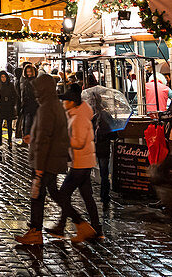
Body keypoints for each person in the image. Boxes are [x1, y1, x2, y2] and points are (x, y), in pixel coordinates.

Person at [15, 73, 71, 245]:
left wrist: (38, 168)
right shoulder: (54, 105)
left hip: (46, 162)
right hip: (52, 160)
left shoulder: (47, 108)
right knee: (52, 193)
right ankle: (78, 221)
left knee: (37, 196)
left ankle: (36, 232)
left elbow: (45, 140)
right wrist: (33, 138)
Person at [48, 84, 101, 243]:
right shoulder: (76, 115)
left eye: (66, 100)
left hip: (80, 163)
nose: (63, 103)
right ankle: (96, 229)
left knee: (62, 195)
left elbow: (78, 142)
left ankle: (65, 226)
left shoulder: (78, 118)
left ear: (72, 102)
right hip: (83, 161)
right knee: (86, 196)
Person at [81, 73, 119, 210]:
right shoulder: (106, 114)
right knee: (104, 172)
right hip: (103, 146)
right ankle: (104, 196)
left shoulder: (86, 113)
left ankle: (88, 194)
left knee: (86, 171)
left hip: (90, 146)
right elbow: (114, 133)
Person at [0, 70, 17, 146]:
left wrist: (13, 104)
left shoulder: (10, 84)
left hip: (9, 105)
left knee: (9, 125)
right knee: (0, 124)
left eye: (4, 77)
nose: (3, 78)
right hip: (2, 105)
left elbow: (15, 95)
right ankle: (0, 140)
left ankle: (10, 140)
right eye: (1, 77)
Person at [18, 64, 39, 140]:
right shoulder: (25, 81)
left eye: (30, 72)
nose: (28, 73)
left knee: (31, 124)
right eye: (27, 72)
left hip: (34, 106)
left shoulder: (35, 81)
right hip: (27, 106)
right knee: (27, 124)